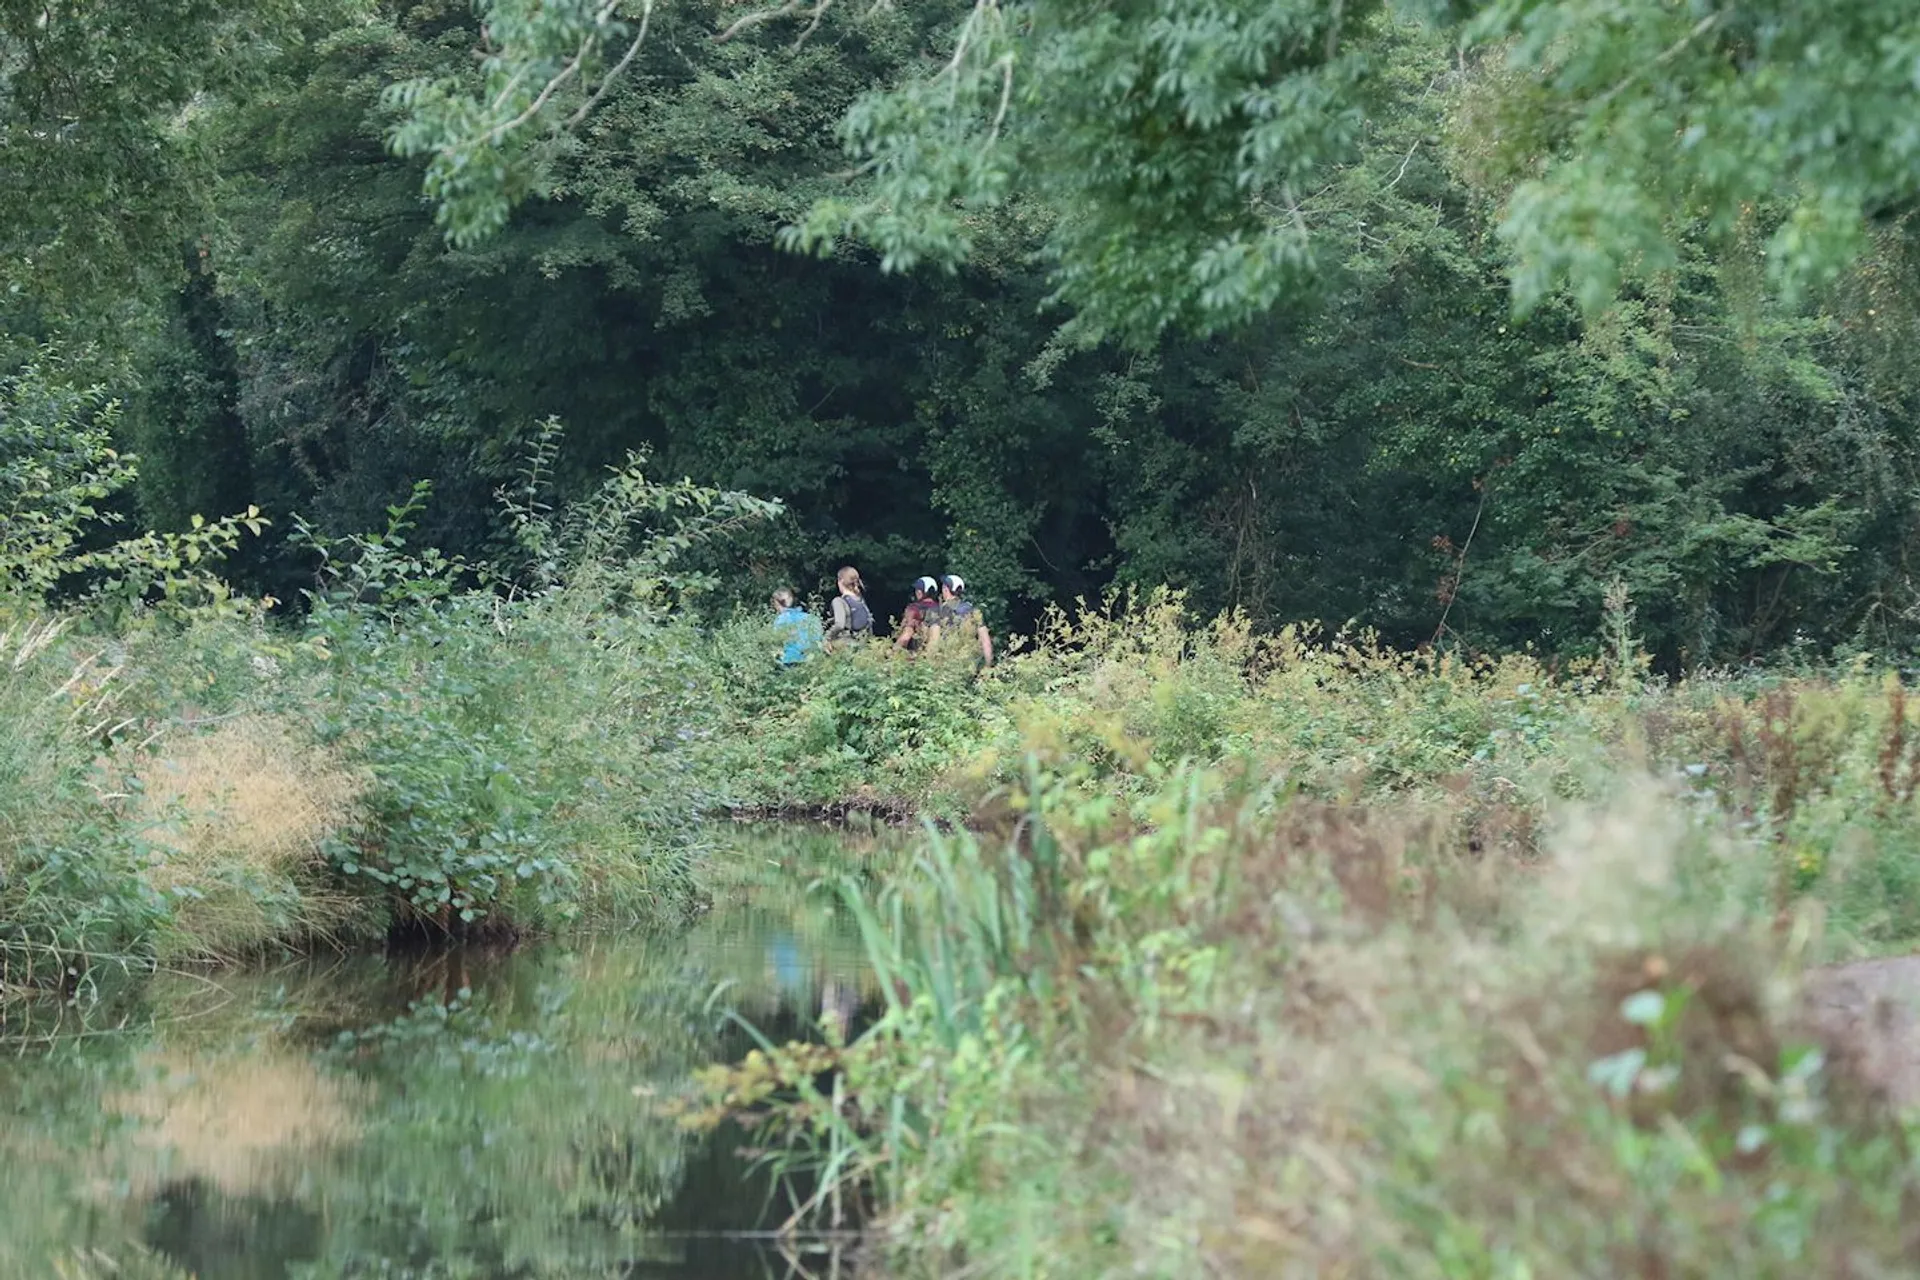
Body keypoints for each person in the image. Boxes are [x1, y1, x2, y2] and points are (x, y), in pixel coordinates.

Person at [932, 573, 993, 668]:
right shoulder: (973, 610)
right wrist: (987, 666)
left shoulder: (938, 611)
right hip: (969, 663)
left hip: (945, 663)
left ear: (946, 589)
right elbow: (985, 641)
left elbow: (934, 641)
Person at [823, 566, 873, 648]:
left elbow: (839, 625)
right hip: (863, 646)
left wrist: (826, 638)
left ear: (841, 581)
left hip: (846, 646)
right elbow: (869, 623)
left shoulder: (839, 601)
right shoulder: (861, 601)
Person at [771, 587, 821, 667]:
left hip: (788, 662)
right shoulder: (812, 618)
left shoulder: (780, 620)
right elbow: (818, 640)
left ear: (777, 604)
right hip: (810, 662)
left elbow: (776, 643)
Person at [893, 575, 941, 652]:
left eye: (918, 590)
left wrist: (893, 651)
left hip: (917, 655)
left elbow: (906, 636)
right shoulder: (941, 608)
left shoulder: (913, 609)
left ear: (920, 592)